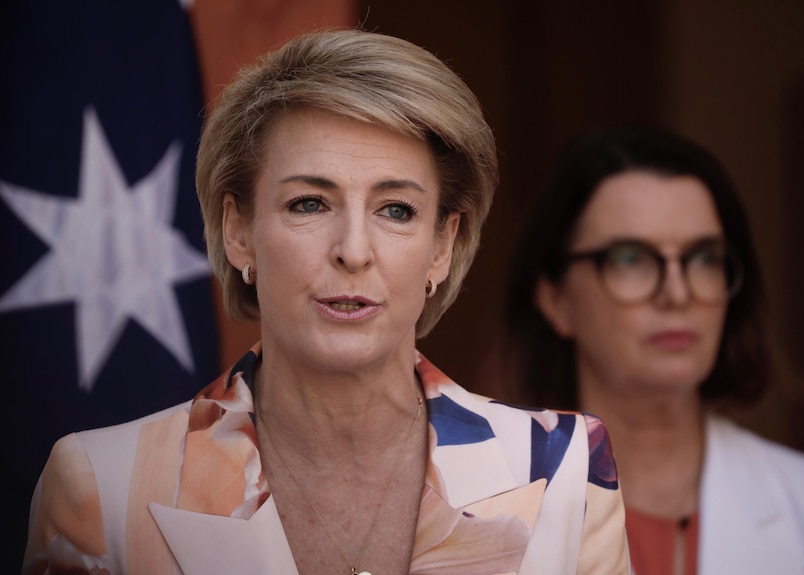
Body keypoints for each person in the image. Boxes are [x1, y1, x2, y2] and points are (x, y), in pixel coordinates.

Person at [22, 29, 631, 574]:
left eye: (396, 210)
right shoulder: (99, 483)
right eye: (309, 203)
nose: (353, 251)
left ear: (441, 247)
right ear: (239, 232)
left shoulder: (564, 474)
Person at [500, 124, 804, 575]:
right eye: (630, 258)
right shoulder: (475, 516)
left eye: (704, 258)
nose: (678, 293)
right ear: (556, 300)